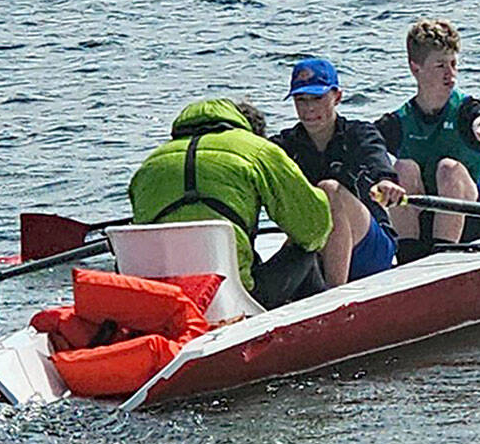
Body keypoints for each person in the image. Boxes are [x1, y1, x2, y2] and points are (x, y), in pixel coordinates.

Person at [128, 98, 340, 309]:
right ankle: (324, 319)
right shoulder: (257, 150)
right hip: (233, 296)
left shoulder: (150, 163)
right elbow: (315, 227)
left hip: (162, 298)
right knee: (305, 247)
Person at [375, 19, 480, 263]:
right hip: (420, 222)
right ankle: (408, 257)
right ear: (415, 68)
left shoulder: (466, 109)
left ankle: (442, 256)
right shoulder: (398, 121)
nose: (451, 74)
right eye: (440, 66)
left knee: (448, 168)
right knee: (402, 168)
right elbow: (365, 146)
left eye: (453, 64)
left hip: (470, 222)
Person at [269, 57, 407, 286]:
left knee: (329, 190)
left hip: (370, 249)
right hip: (317, 245)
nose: (309, 108)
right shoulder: (285, 145)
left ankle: (334, 295)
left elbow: (376, 156)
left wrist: (385, 181)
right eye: (301, 100)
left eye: (317, 98)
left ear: (337, 97)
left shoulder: (360, 133)